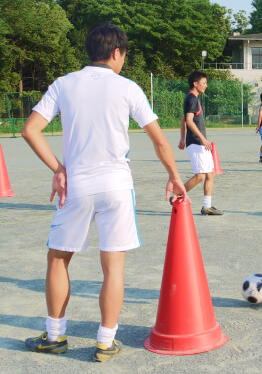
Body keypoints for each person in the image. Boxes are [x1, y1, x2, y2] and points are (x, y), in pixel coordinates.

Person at [21, 22, 187, 362]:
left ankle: (54, 336)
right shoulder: (127, 88)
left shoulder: (64, 84)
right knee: (113, 267)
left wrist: (58, 169)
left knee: (58, 258)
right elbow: (158, 139)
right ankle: (105, 342)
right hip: (116, 185)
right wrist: (174, 176)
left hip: (77, 185)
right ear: (116, 53)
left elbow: (30, 130)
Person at [175, 71, 223, 215]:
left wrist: (182, 138)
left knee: (210, 174)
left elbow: (184, 119)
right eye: (204, 83)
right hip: (197, 143)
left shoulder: (194, 99)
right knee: (200, 176)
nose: (206, 86)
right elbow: (188, 121)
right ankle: (175, 196)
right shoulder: (191, 99)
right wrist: (202, 139)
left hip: (198, 143)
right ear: (195, 84)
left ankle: (206, 206)